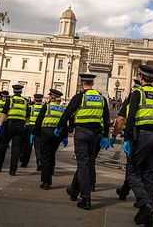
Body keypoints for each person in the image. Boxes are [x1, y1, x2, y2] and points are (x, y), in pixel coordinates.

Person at [58, 73, 110, 210]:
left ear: (82, 83)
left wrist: (59, 128)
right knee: (85, 162)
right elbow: (106, 119)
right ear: (92, 84)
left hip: (81, 133)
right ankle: (74, 191)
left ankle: (86, 198)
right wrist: (105, 136)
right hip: (95, 135)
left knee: (83, 164)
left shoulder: (79, 97)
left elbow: (66, 114)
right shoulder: (101, 99)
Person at [123, 65, 153, 226]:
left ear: (141, 77)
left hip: (141, 136)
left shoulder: (137, 93)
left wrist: (127, 138)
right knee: (149, 175)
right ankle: (149, 219)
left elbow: (131, 117)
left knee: (132, 172)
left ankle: (145, 203)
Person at [111, 79, 141, 200]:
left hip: (134, 137)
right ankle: (125, 191)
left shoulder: (131, 99)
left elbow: (121, 119)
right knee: (144, 169)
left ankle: (143, 201)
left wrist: (114, 135)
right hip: (150, 138)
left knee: (132, 168)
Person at [32, 89, 67, 190]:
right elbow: (64, 123)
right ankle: (50, 176)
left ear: (52, 97)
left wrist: (34, 133)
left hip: (46, 133)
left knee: (45, 157)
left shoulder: (46, 106)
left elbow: (39, 121)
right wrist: (64, 136)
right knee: (52, 155)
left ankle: (46, 181)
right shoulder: (61, 108)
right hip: (57, 134)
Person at [0, 85, 30, 176]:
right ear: (21, 92)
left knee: (3, 145)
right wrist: (23, 124)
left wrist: (0, 125)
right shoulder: (25, 102)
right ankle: (13, 170)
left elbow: (4, 113)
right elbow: (27, 116)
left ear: (13, 92)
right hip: (20, 126)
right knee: (16, 148)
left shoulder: (10, 100)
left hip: (9, 125)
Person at [20, 94, 44, 170]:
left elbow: (27, 117)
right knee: (38, 147)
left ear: (34, 99)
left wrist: (25, 125)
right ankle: (39, 162)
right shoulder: (44, 108)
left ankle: (24, 163)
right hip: (40, 128)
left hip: (30, 127)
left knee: (28, 146)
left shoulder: (31, 107)